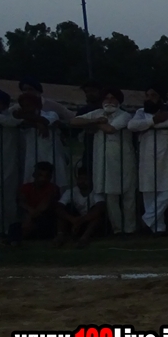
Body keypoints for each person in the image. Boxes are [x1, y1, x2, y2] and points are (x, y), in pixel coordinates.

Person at [70, 88, 138, 235]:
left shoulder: (124, 115)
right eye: (106, 98)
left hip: (124, 160)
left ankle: (130, 229)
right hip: (103, 162)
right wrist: (95, 121)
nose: (109, 101)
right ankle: (118, 230)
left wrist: (92, 125)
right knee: (110, 196)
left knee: (128, 195)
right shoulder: (97, 114)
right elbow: (74, 121)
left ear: (119, 101)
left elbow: (110, 129)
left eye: (113, 98)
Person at [128, 86, 168, 234]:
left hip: (167, 156)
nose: (149, 98)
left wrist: (146, 125)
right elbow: (132, 125)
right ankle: (158, 229)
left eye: (153, 95)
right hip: (147, 157)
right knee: (148, 191)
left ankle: (146, 220)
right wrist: (154, 120)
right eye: (147, 95)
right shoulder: (140, 112)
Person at [13, 92, 69, 188]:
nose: (26, 108)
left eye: (28, 105)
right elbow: (20, 122)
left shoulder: (51, 114)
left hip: (52, 156)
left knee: (56, 185)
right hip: (33, 157)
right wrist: (36, 124)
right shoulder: (23, 121)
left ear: (37, 105)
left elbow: (46, 121)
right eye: (23, 106)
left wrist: (25, 116)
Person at [0, 89, 21, 236]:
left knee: (5, 199)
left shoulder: (10, 116)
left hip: (7, 163)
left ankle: (11, 229)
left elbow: (12, 122)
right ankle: (0, 230)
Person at [55, 165, 106, 248]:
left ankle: (84, 238)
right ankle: (60, 236)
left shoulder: (96, 192)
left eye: (85, 179)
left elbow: (100, 209)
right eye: (80, 179)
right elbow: (59, 207)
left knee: (97, 215)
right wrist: (72, 219)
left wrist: (80, 221)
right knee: (64, 209)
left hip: (88, 224)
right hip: (74, 223)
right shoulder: (71, 192)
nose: (82, 181)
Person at [10, 161, 60, 244]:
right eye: (40, 175)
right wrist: (29, 214)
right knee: (14, 226)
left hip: (45, 218)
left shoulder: (53, 188)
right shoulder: (26, 187)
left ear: (50, 177)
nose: (43, 179)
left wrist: (30, 218)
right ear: (34, 175)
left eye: (46, 176)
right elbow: (21, 202)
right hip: (29, 217)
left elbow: (44, 206)